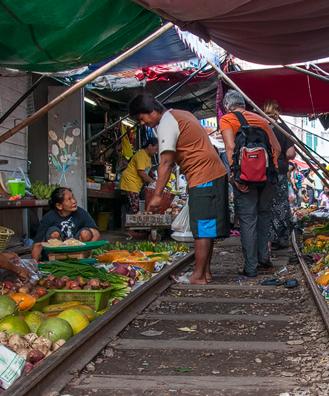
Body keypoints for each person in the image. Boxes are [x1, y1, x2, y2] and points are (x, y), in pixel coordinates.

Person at [129, 93, 229, 284]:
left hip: (204, 175)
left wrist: (157, 195)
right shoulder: (180, 114)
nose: (142, 123)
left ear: (152, 112)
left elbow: (166, 162)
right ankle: (205, 273)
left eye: (141, 118)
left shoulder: (167, 123)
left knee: (201, 228)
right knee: (205, 226)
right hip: (210, 174)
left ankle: (198, 275)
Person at [219, 90, 281, 277]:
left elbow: (230, 147)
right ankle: (264, 257)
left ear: (227, 107)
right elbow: (277, 149)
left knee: (247, 219)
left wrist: (237, 176)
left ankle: (251, 267)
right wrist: (263, 169)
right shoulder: (261, 119)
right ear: (244, 105)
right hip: (268, 178)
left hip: (245, 178)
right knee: (263, 215)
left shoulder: (227, 119)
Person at [262, 99, 297, 251]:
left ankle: (266, 241)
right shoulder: (282, 128)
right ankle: (280, 239)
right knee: (280, 205)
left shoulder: (259, 126)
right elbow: (291, 153)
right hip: (280, 170)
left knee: (265, 206)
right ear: (278, 111)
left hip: (261, 172)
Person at [30, 187, 101, 261]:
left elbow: (96, 235)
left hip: (77, 250)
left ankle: (78, 259)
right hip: (57, 254)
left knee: (86, 233)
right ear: (59, 206)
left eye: (73, 197)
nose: (74, 201)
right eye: (69, 199)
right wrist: (33, 265)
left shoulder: (81, 213)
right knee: (54, 234)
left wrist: (87, 251)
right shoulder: (48, 218)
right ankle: (59, 260)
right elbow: (38, 245)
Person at [119, 137, 158, 225]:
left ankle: (134, 225)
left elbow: (146, 172)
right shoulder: (141, 155)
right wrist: (152, 181)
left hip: (136, 183)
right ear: (150, 146)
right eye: (155, 149)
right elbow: (141, 172)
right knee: (135, 205)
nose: (156, 152)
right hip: (130, 181)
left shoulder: (148, 157)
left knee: (135, 204)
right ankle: (133, 226)